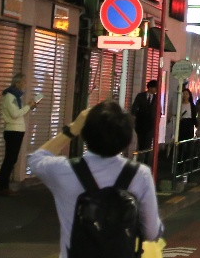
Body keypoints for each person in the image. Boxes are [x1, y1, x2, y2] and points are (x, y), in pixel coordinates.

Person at [29, 100, 164, 258]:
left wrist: (72, 129)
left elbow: (36, 159)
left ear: (85, 134)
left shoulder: (64, 170)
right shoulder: (140, 174)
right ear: (126, 138)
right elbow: (151, 233)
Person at [0, 73, 40, 196]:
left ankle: (4, 186)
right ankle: (2, 187)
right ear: (18, 83)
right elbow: (15, 114)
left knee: (12, 158)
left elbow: (19, 114)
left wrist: (28, 108)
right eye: (24, 82)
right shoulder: (10, 96)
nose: (25, 85)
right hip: (12, 130)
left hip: (17, 130)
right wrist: (28, 106)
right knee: (10, 158)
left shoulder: (16, 97)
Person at [129, 80, 159, 155]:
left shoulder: (156, 98)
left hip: (151, 124)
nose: (156, 90)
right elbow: (134, 108)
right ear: (151, 88)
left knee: (148, 143)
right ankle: (140, 157)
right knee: (141, 143)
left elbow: (158, 109)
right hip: (140, 123)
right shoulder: (140, 96)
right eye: (155, 88)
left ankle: (146, 159)